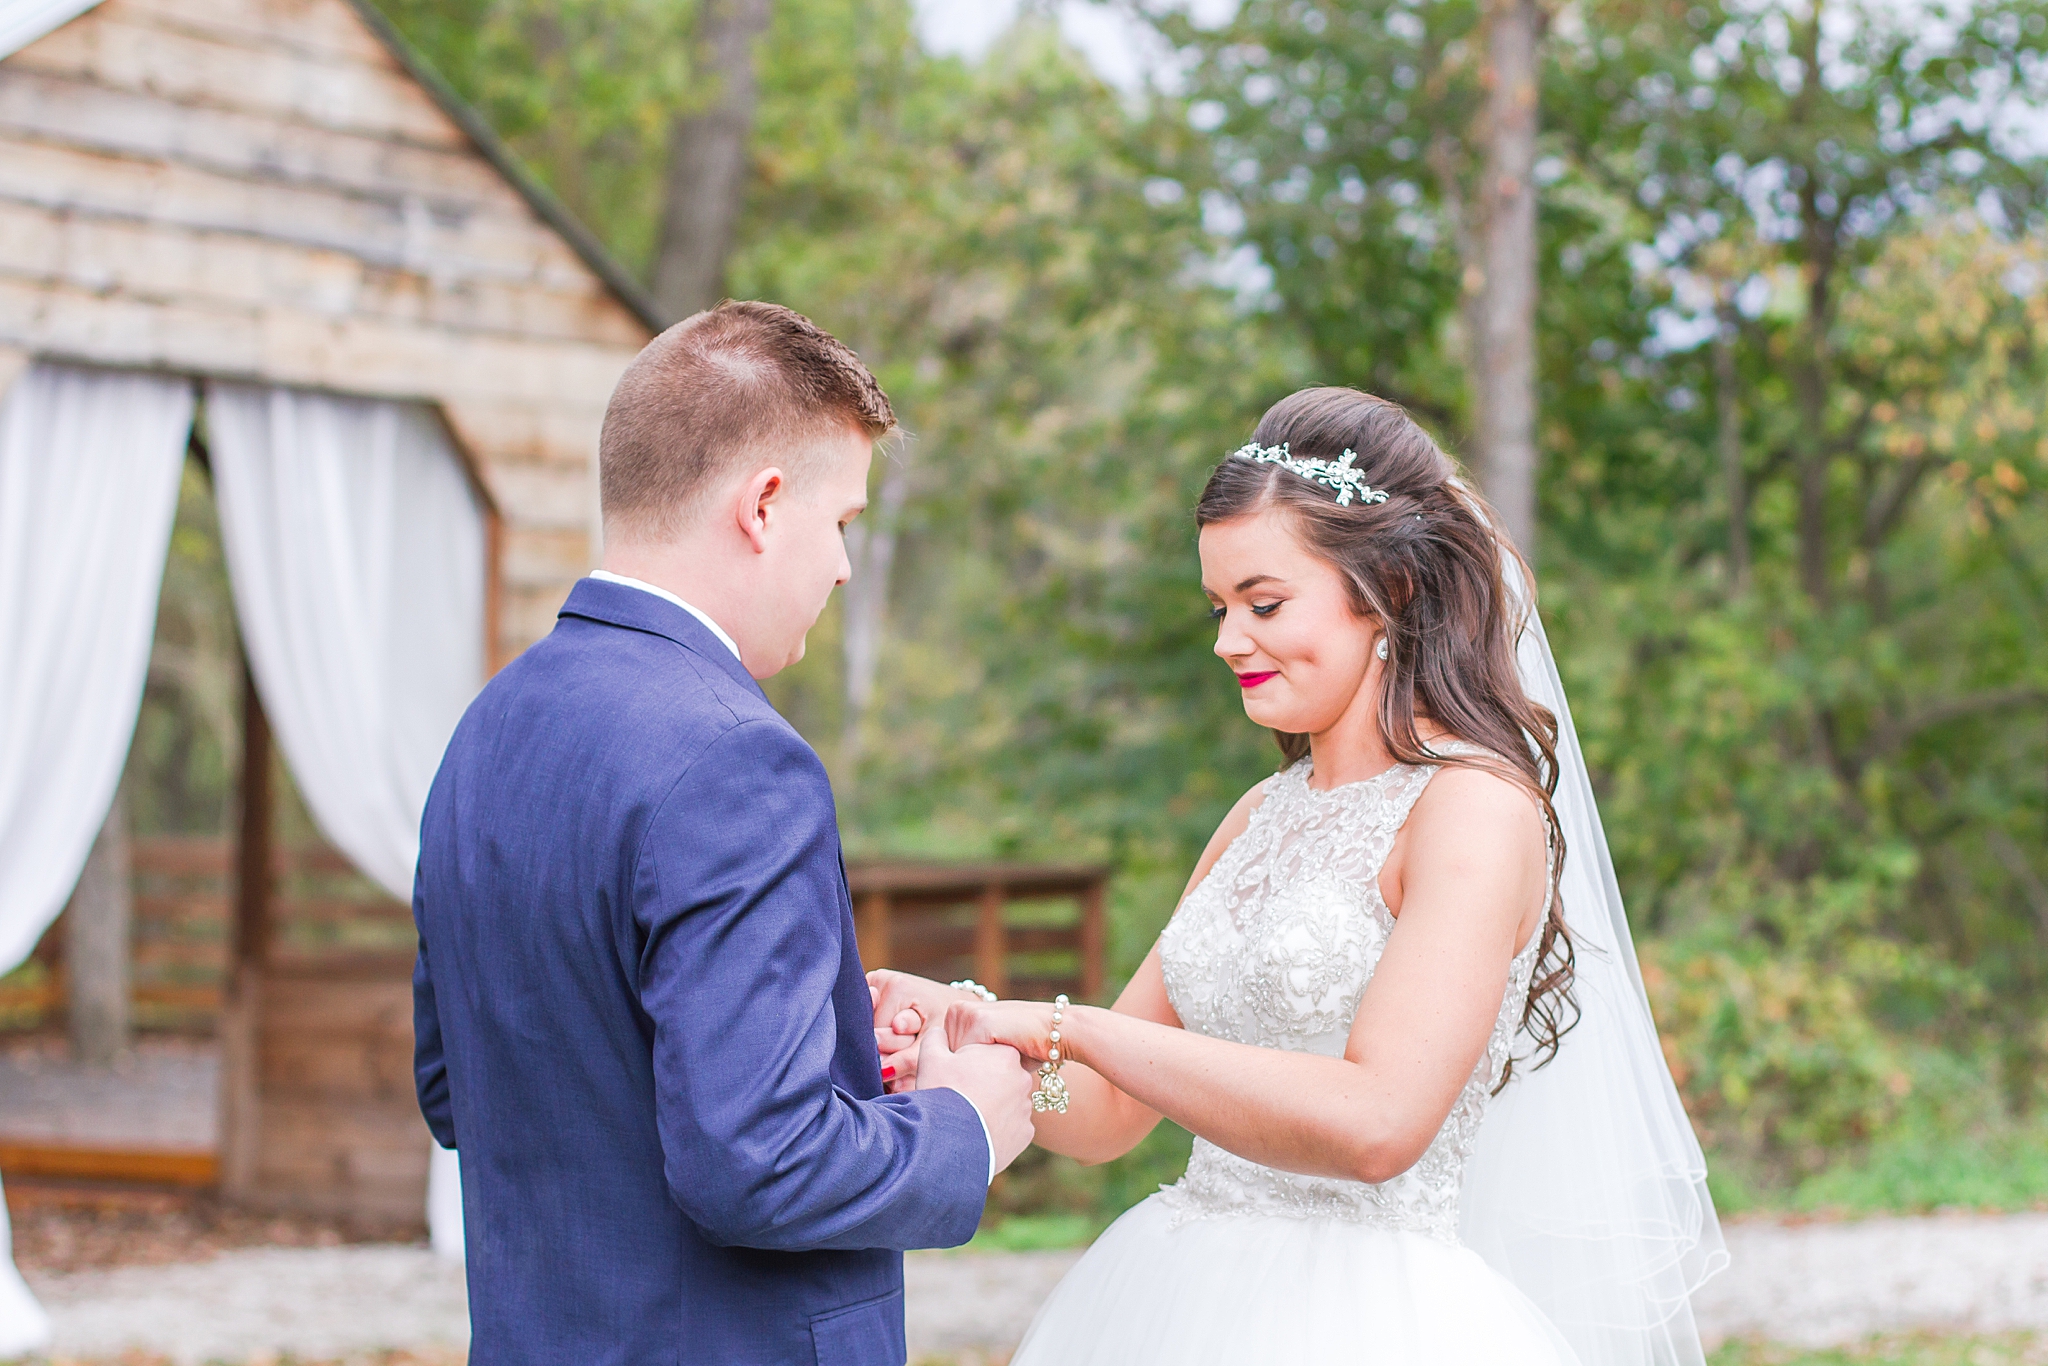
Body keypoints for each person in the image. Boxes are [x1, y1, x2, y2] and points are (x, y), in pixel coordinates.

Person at [871, 387, 1726, 1365]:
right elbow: (1105, 1115)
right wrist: (968, 1026)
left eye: (1263, 603)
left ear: (1387, 592)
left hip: (1369, 1319)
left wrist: (1067, 1026)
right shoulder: (1257, 814)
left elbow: (1378, 1123)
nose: (1227, 640)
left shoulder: (1471, 812)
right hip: (1174, 1305)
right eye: (1219, 606)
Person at [412, 301, 1037, 1366]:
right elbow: (757, 1161)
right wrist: (961, 1125)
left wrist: (826, 1048)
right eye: (840, 523)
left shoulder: (490, 727)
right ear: (762, 505)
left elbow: (458, 1088)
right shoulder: (738, 763)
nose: (842, 567)